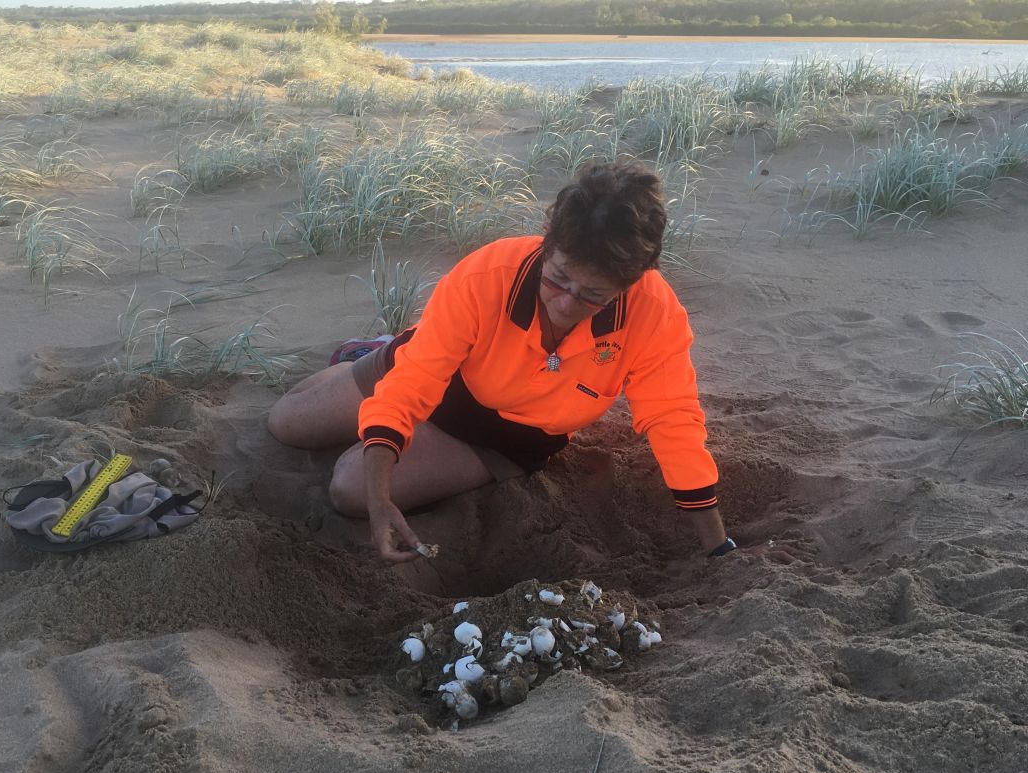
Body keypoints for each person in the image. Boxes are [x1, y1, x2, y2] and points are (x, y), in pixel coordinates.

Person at [268, 159, 735, 563]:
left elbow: (673, 421)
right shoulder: (487, 274)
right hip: (441, 370)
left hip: (508, 434)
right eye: (557, 280)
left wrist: (718, 547)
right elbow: (412, 384)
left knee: (350, 489)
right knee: (285, 424)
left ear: (632, 281)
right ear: (547, 246)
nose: (567, 304)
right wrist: (384, 470)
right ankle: (376, 351)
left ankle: (394, 416)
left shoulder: (653, 313)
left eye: (593, 295)